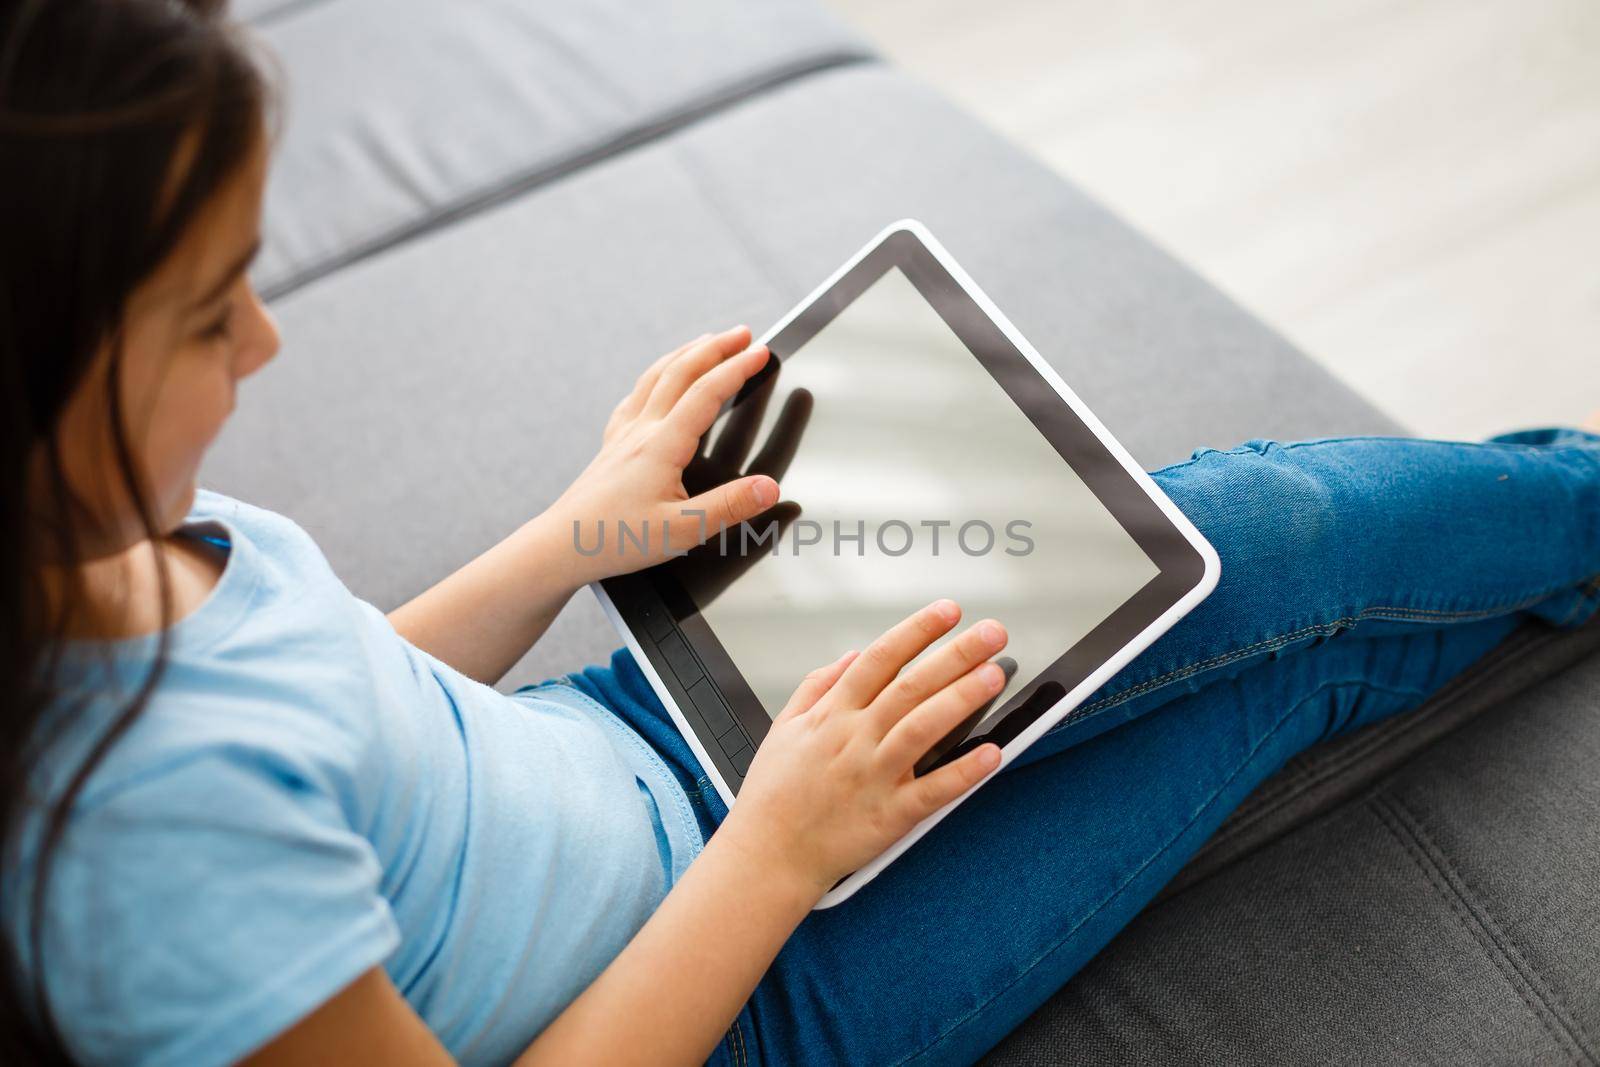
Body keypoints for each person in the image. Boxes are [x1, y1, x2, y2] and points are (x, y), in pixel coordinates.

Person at [3, 3, 1597, 1065]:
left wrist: (573, 538)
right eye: (211, 317)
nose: (264, 350)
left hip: (637, 735)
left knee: (1236, 545)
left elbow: (333, 705)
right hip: (741, 993)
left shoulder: (86, 537)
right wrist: (774, 852)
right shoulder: (145, 842)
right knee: (1261, 668)